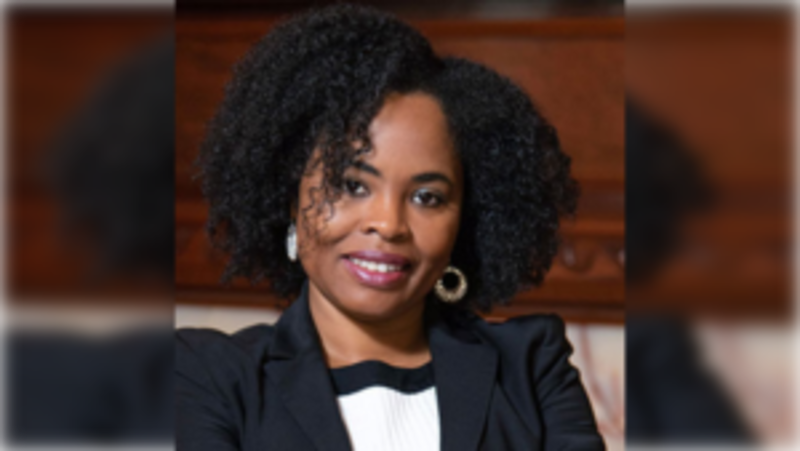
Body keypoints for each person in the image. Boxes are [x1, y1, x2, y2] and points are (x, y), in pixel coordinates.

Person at [176, 4, 604, 450]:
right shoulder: (207, 374)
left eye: (427, 197)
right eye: (352, 185)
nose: (388, 224)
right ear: (290, 198)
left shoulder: (530, 366)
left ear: (466, 217)